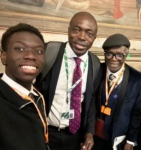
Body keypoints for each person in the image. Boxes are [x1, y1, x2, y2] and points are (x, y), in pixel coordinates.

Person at [35, 11, 101, 150]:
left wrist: (89, 132)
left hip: (74, 136)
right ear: (68, 30)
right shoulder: (49, 52)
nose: (82, 37)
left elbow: (90, 103)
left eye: (89, 34)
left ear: (94, 38)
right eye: (77, 30)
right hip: (45, 133)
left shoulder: (94, 64)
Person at [0, 23, 49, 150]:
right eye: (20, 49)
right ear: (4, 57)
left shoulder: (36, 95)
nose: (31, 56)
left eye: (38, 51)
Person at [92, 33, 141, 150]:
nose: (113, 59)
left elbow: (137, 112)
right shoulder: (97, 71)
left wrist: (131, 140)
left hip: (118, 139)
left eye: (119, 55)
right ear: (105, 54)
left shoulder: (138, 80)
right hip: (95, 136)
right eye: (109, 54)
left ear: (125, 55)